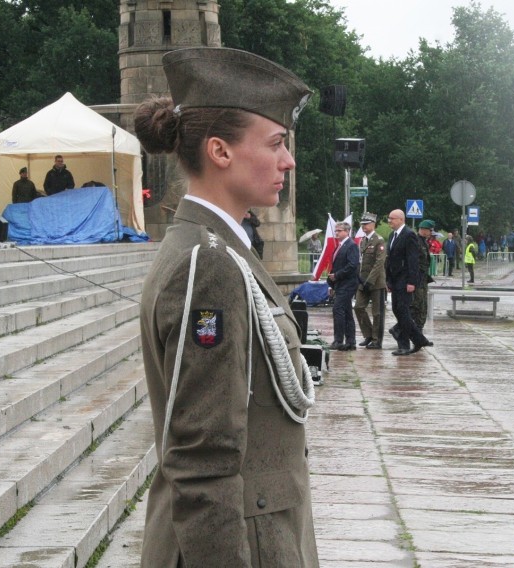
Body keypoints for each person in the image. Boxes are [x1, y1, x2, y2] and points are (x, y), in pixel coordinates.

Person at [133, 47, 318, 567]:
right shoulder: (209, 264)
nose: (289, 160)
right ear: (220, 151)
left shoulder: (219, 250)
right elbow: (203, 461)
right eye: (277, 143)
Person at [385, 209, 431, 356]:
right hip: (395, 280)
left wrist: (412, 282)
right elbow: (391, 259)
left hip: (405, 281)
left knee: (403, 312)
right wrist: (388, 280)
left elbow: (413, 261)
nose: (389, 221)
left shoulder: (409, 235)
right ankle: (419, 339)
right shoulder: (392, 235)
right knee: (397, 311)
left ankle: (404, 345)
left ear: (400, 219)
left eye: (392, 218)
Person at [353, 212, 386, 349]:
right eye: (362, 224)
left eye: (366, 224)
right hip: (363, 281)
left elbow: (379, 262)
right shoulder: (363, 240)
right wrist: (360, 279)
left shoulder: (379, 240)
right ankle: (368, 334)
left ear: (373, 225)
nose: (364, 226)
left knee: (377, 312)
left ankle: (376, 340)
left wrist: (370, 280)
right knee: (358, 307)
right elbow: (361, 262)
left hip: (376, 282)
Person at [327, 220, 360, 350]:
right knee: (346, 312)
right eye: (336, 230)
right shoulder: (340, 245)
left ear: (347, 232)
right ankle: (351, 342)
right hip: (340, 284)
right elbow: (336, 265)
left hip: (348, 283)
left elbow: (352, 265)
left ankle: (338, 340)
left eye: (339, 231)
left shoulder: (351, 245)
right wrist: (331, 283)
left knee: (338, 309)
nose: (336, 233)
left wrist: (337, 275)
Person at [411, 219, 435, 329]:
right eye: (430, 231)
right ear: (424, 230)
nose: (431, 233)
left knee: (423, 308)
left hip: (423, 280)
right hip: (417, 280)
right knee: (417, 307)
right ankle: (399, 330)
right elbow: (413, 262)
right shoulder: (416, 242)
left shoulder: (424, 242)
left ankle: (419, 334)